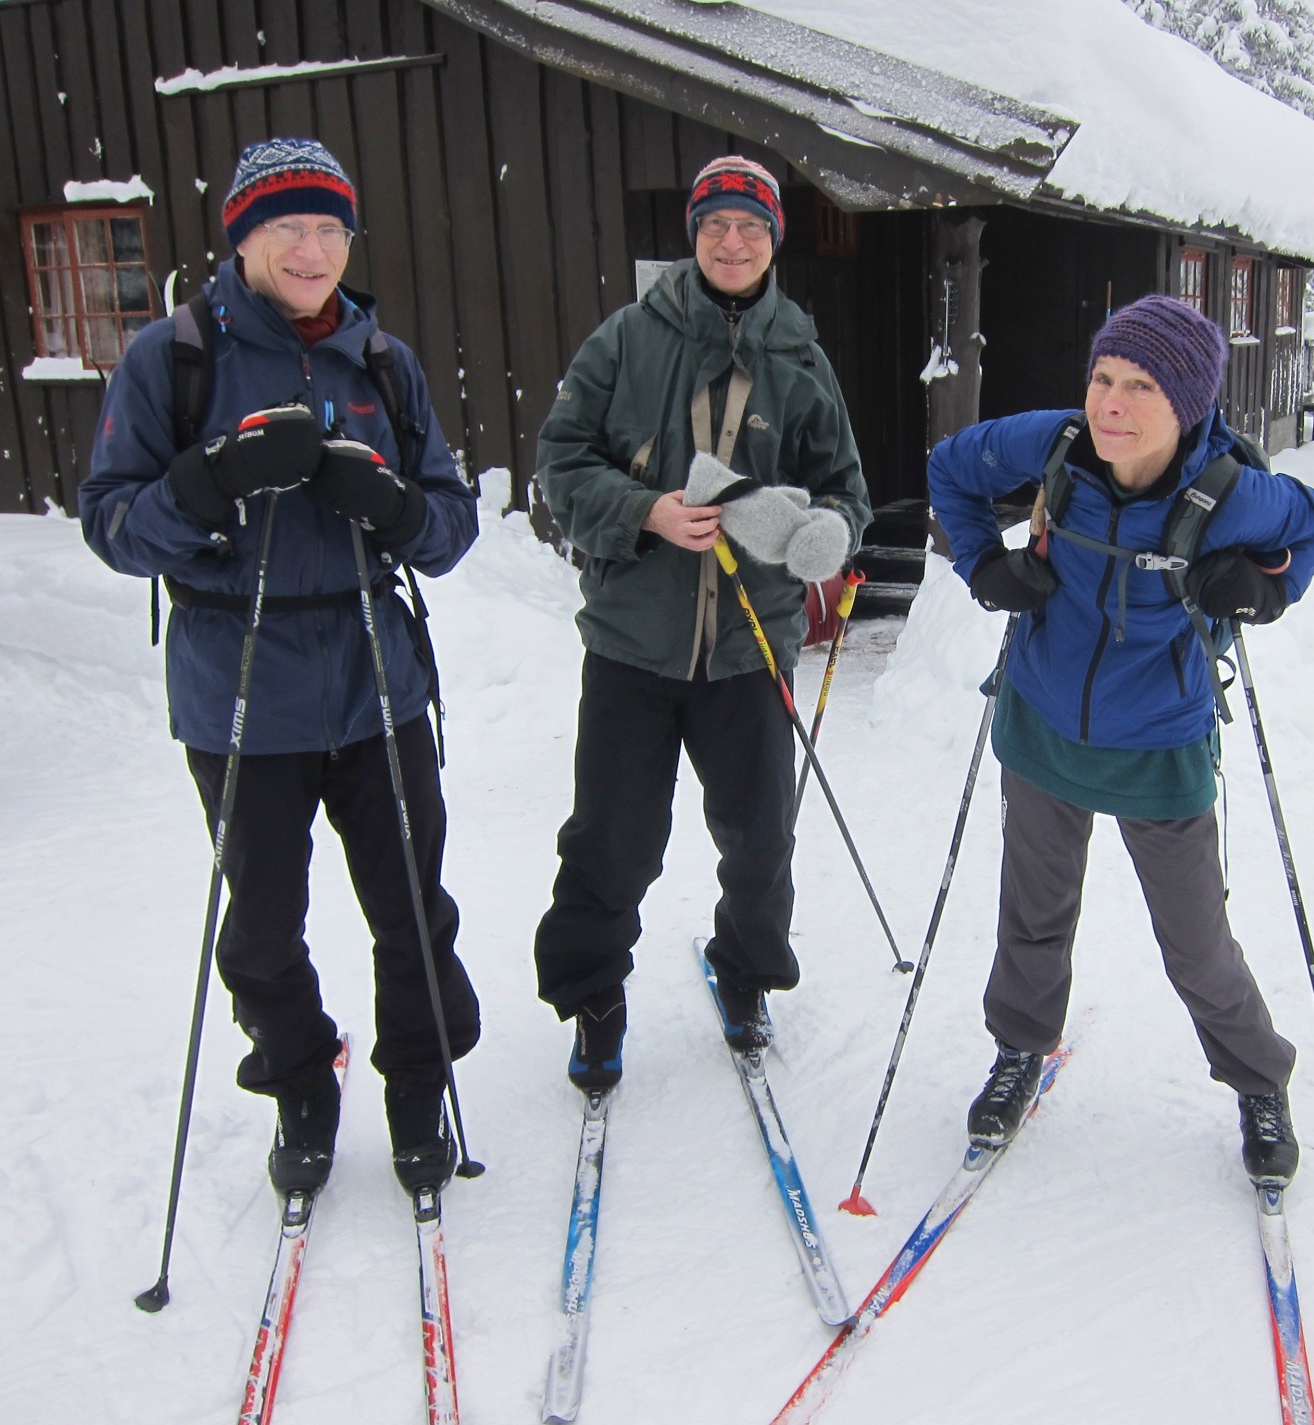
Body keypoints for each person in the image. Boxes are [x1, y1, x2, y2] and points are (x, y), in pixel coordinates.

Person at [79, 138, 481, 1193]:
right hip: (239, 688)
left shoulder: (382, 361)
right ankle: (302, 1078)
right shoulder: (172, 360)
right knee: (258, 926)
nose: (312, 249)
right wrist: (207, 483)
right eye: (288, 228)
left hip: (375, 680)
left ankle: (416, 1083)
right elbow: (113, 527)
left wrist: (392, 506)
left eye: (330, 228)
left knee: (411, 907)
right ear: (243, 240)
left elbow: (447, 525)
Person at [926, 294, 1314, 1185]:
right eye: (1103, 377)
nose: (1110, 403)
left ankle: (1258, 1079)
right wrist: (983, 564)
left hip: (1159, 746)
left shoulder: (1231, 495)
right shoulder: (1056, 446)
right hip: (1042, 728)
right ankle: (1019, 1050)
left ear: (1186, 402)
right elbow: (949, 469)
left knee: (1196, 942)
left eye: (1141, 385)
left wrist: (1267, 590)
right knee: (1032, 919)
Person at [533, 155, 870, 1089]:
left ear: (773, 243)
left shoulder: (800, 355)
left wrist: (825, 535)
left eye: (751, 228)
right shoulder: (626, 339)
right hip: (634, 645)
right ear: (693, 235)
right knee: (613, 839)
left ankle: (746, 972)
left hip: (749, 643)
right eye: (717, 225)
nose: (733, 242)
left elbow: (849, 492)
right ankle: (594, 994)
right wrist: (646, 512)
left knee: (761, 837)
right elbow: (559, 459)